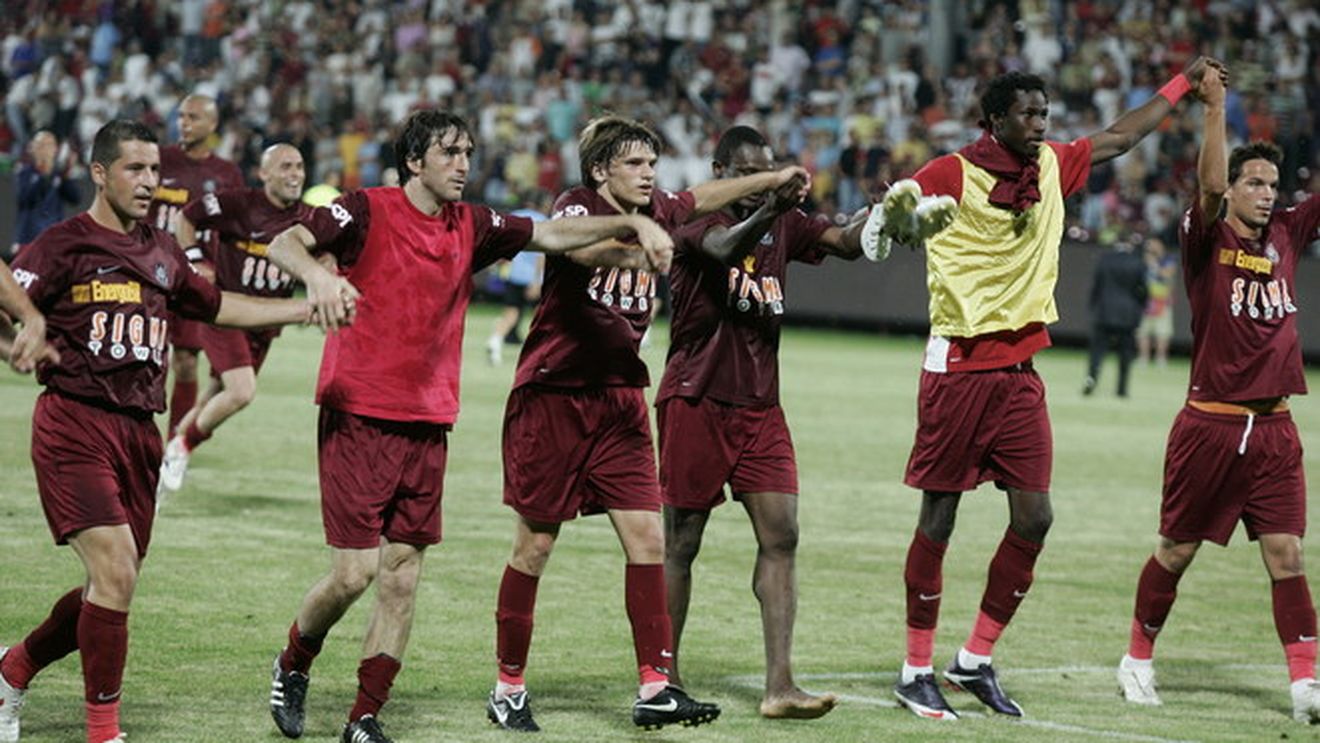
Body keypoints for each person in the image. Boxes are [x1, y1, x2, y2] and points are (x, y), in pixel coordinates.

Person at [261, 109, 678, 743]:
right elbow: (284, 240)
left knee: (402, 572)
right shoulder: (364, 209)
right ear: (415, 162)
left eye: (468, 152)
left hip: (429, 419)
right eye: (450, 152)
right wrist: (319, 274)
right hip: (358, 412)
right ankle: (294, 660)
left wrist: (631, 220)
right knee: (354, 574)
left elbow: (551, 237)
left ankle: (364, 717)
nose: (464, 163)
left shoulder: (475, 223)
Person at [870, 60, 1226, 720]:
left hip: (1019, 374)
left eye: (1045, 115)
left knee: (1035, 517)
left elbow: (1121, 136)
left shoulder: (1054, 166)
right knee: (939, 518)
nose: (1041, 125)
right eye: (1029, 115)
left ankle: (973, 659)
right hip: (958, 367)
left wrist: (1183, 85)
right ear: (996, 119)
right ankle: (914, 668)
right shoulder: (953, 170)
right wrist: (890, 223)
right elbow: (894, 212)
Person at [488, 115, 808, 733]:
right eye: (634, 164)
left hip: (620, 401)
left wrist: (772, 178)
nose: (648, 175)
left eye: (652, 165)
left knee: (650, 543)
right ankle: (508, 686)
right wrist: (635, 236)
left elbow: (700, 198)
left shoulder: (660, 206)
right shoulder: (576, 203)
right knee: (535, 547)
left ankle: (656, 687)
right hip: (554, 396)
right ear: (603, 170)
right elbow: (574, 246)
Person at [0, 119, 316, 743]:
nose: (150, 183)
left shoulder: (163, 251)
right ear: (99, 173)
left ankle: (13, 669)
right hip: (74, 423)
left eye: (154, 171)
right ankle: (103, 732)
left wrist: (304, 307)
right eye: (135, 171)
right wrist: (25, 326)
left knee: (110, 587)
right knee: (115, 574)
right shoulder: (66, 243)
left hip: (140, 432)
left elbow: (219, 305)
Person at [1116, 71, 1320, 722]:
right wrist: (1215, 108)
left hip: (1276, 430)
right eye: (1253, 183)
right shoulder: (1207, 239)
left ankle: (1306, 684)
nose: (1266, 194)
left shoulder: (1287, 232)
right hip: (1210, 425)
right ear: (1231, 189)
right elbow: (1204, 186)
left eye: (1271, 185)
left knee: (1287, 554)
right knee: (1176, 549)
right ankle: (1137, 657)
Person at [659, 125, 871, 719]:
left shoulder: (785, 220)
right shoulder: (696, 215)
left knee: (782, 535)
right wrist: (770, 206)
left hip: (760, 406)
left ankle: (780, 685)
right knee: (681, 543)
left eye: (769, 170)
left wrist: (885, 217)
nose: (760, 183)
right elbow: (725, 249)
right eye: (750, 173)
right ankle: (662, 679)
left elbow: (844, 242)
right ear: (722, 169)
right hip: (695, 398)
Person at [156, 143, 314, 497]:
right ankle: (183, 447)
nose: (295, 174)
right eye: (286, 166)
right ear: (264, 174)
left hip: (265, 325)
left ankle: (169, 452)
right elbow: (187, 217)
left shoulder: (308, 217)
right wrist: (196, 259)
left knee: (216, 393)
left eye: (299, 167)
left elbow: (330, 254)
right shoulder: (239, 203)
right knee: (242, 392)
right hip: (225, 313)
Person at [146, 94, 244, 439]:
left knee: (186, 361)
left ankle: (175, 441)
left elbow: (234, 232)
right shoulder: (158, 160)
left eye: (193, 117)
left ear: (212, 125)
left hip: (194, 281)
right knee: (140, 354)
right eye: (181, 116)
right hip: (149, 273)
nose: (184, 123)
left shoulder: (227, 175)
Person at [1082, 237, 1148, 397]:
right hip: (1127, 314)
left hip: (1104, 312)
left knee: (1097, 351)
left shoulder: (1104, 260)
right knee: (1125, 353)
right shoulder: (1137, 262)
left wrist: (1093, 307)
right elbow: (1143, 291)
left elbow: (1097, 286)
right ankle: (1122, 388)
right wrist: (1139, 310)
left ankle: (1091, 378)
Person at [13, 130, 81, 255]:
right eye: (40, 145)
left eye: (49, 145)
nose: (45, 149)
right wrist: (45, 173)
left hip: (53, 240)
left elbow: (75, 198)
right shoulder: (24, 172)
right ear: (32, 148)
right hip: (29, 240)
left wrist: (66, 174)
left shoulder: (60, 174)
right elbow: (25, 198)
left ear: (56, 149)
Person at [1136, 237, 1177, 367]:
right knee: (1143, 330)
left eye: (1153, 244)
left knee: (1163, 332)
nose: (1150, 247)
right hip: (1146, 300)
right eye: (1149, 245)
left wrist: (1153, 265)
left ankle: (1161, 358)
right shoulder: (1143, 259)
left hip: (1162, 300)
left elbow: (1167, 275)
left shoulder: (1168, 259)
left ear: (1160, 245)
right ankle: (1143, 357)